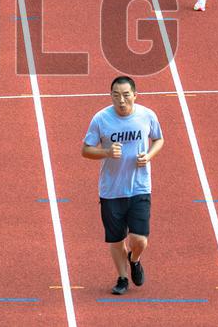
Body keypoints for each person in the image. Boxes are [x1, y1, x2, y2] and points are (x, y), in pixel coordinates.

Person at [82, 76, 164, 295]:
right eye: (116, 95)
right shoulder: (101, 119)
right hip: (111, 190)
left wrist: (149, 156)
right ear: (110, 96)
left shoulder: (147, 116)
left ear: (135, 95)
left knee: (139, 239)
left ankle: (134, 259)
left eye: (126, 95)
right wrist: (106, 152)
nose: (121, 100)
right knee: (117, 239)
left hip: (140, 186)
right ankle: (122, 278)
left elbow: (158, 139)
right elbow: (86, 150)